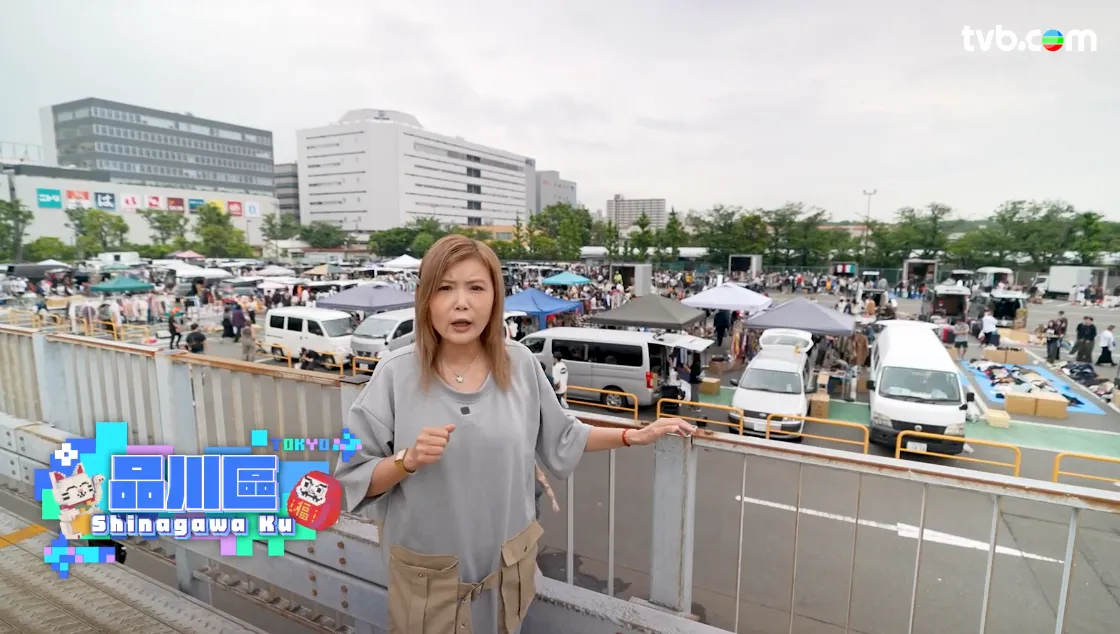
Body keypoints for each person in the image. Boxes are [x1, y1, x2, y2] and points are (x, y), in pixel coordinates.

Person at [334, 235, 693, 633]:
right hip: (428, 584)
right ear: (425, 299)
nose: (461, 303)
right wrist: (407, 460)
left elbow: (563, 435)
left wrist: (634, 435)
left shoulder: (520, 363)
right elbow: (352, 476)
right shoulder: (394, 374)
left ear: (495, 297)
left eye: (476, 288)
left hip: (507, 577)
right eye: (445, 288)